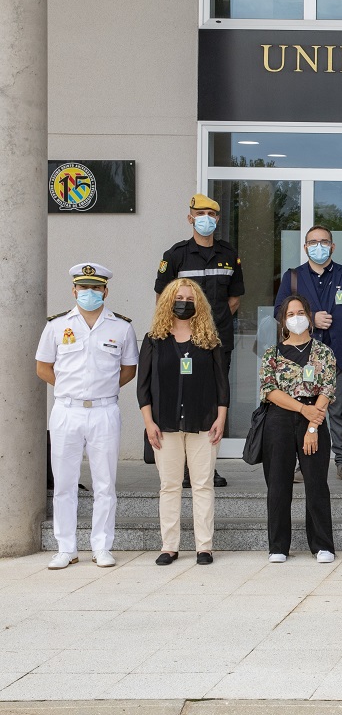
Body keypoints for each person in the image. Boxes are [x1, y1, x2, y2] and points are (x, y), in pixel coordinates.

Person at [36, 264, 139, 570]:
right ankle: (65, 547)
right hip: (66, 410)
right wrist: (72, 389)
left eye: (96, 288)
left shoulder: (121, 327)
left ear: (105, 291)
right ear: (74, 291)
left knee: (105, 483)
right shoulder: (56, 326)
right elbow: (43, 367)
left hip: (104, 410)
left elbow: (129, 369)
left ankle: (102, 546)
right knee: (65, 483)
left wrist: (101, 389)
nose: (90, 293)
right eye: (84, 288)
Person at [138, 279, 229, 566]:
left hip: (203, 421)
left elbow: (221, 384)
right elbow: (143, 386)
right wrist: (148, 422)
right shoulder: (154, 339)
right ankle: (169, 546)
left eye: (190, 299)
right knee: (170, 486)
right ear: (168, 301)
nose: (184, 303)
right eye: (179, 297)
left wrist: (221, 418)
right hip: (164, 424)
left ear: (198, 304)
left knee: (202, 485)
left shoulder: (209, 340)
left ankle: (204, 547)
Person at [155, 193, 243, 488]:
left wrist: (208, 327)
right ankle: (180, 467)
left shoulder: (229, 255)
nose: (206, 218)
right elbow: (163, 299)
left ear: (218, 219)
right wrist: (183, 330)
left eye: (212, 214)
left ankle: (205, 467)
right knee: (181, 397)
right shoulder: (176, 255)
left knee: (213, 400)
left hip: (216, 342)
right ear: (190, 217)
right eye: (200, 213)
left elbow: (234, 299)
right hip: (180, 343)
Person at [275, 224, 342, 483]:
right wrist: (311, 319)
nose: (318, 246)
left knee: (337, 410)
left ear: (332, 246)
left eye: (324, 241)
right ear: (305, 247)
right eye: (313, 242)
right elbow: (278, 312)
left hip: (340, 356)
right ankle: (303, 464)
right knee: (304, 409)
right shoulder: (293, 277)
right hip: (300, 357)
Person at [259, 295, 338, 563]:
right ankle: (278, 546)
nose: (296, 318)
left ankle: (322, 545)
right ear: (283, 321)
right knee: (278, 484)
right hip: (279, 420)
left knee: (316, 483)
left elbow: (327, 388)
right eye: (290, 314)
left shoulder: (323, 352)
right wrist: (302, 410)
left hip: (314, 419)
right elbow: (269, 391)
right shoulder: (272, 353)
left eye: (300, 312)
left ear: (309, 315)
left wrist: (312, 426)